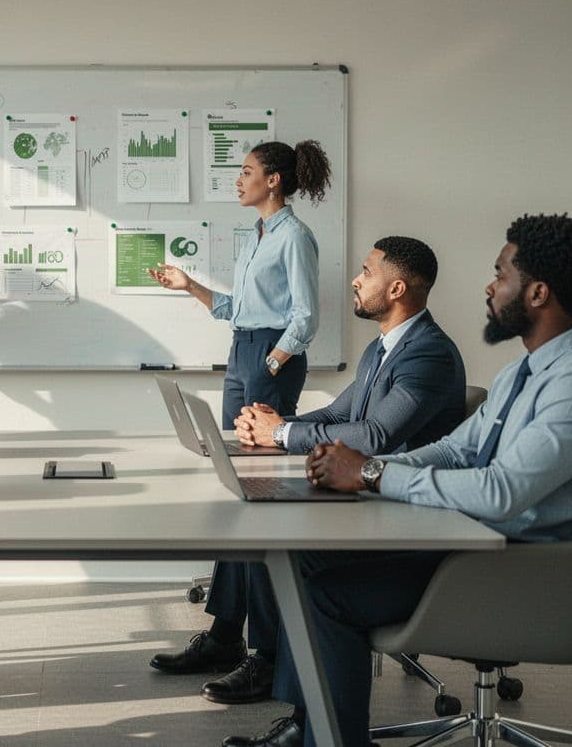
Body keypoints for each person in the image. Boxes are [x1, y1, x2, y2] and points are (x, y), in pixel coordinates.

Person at [222, 213, 572, 747]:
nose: (490, 287)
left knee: (326, 594)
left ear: (536, 293)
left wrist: (369, 472)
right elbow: (456, 449)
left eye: (500, 274)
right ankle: (310, 729)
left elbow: (501, 492)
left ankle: (331, 739)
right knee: (305, 558)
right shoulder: (524, 372)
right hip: (472, 547)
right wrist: (356, 470)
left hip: (519, 572)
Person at [150, 237, 465, 709]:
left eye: (367, 271)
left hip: (395, 505)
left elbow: (377, 435)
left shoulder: (428, 354)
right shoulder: (384, 348)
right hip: (359, 489)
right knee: (252, 504)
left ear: (397, 288)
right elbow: (341, 416)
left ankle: (269, 660)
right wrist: (270, 427)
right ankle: (225, 638)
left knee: (274, 528)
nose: (356, 279)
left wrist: (280, 436)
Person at [148, 140, 331, 423]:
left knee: (263, 452)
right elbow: (238, 309)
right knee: (231, 443)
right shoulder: (253, 236)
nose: (238, 181)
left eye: (246, 173)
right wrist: (189, 285)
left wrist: (271, 363)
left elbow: (306, 315)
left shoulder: (294, 236)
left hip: (271, 350)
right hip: (240, 351)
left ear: (272, 180)